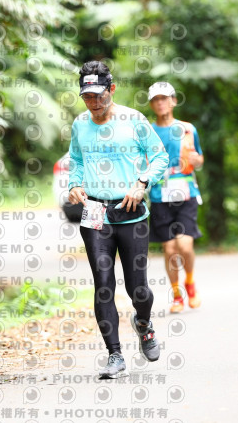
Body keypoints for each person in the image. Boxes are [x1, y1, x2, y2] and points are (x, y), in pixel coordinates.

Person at [67, 61, 169, 378]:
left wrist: (142, 183)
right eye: (87, 96)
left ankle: (144, 324)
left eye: (99, 95)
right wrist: (74, 184)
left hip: (130, 213)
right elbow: (76, 160)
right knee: (103, 285)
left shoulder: (134, 120)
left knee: (138, 288)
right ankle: (115, 355)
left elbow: (160, 156)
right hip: (95, 213)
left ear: (111, 89)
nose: (93, 102)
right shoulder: (80, 124)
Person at [146, 81, 204, 313]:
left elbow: (199, 158)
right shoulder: (148, 132)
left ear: (173, 101)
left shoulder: (188, 129)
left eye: (164, 98)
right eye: (155, 99)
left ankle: (190, 282)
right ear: (152, 104)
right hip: (160, 195)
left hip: (186, 192)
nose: (160, 103)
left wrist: (197, 160)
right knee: (170, 250)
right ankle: (177, 295)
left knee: (185, 246)